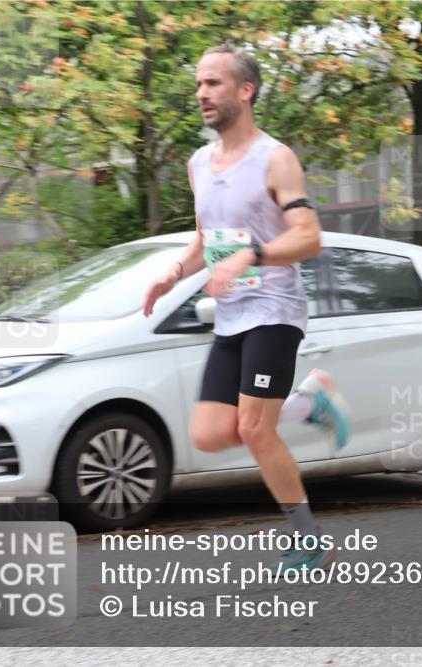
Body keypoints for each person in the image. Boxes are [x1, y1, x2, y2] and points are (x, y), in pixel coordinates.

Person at [142, 43, 350, 568]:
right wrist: (172, 274)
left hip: (275, 309)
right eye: (198, 84)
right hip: (232, 314)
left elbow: (309, 238)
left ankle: (308, 538)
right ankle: (313, 402)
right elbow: (204, 241)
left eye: (213, 83)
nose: (202, 94)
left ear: (245, 91)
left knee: (256, 429)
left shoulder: (274, 159)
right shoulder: (197, 163)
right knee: (211, 435)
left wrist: (252, 253)